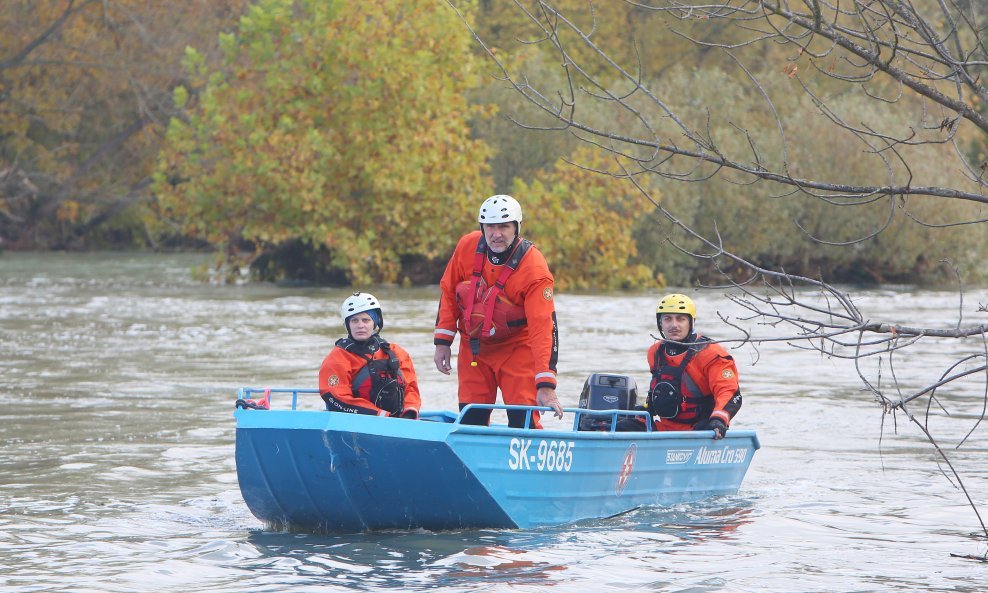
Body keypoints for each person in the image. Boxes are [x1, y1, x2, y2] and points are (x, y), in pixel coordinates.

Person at [433, 194, 564, 428]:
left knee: (522, 420)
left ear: (517, 227)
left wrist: (546, 384)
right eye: (490, 227)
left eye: (504, 227)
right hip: (474, 349)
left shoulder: (534, 268)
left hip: (516, 349)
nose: (496, 234)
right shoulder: (466, 246)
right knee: (471, 420)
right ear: (482, 228)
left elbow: (543, 326)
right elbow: (449, 292)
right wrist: (443, 341)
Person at [617, 293, 742, 439]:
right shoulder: (655, 352)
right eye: (667, 319)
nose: (674, 325)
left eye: (680, 319)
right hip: (664, 427)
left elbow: (729, 392)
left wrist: (719, 419)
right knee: (612, 426)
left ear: (692, 322)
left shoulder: (712, 354)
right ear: (660, 323)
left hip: (699, 429)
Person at [319, 292, 421, 418]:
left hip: (398, 420)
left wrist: (410, 410)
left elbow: (411, 388)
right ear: (347, 325)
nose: (360, 325)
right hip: (357, 421)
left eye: (366, 320)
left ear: (375, 323)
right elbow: (336, 398)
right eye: (354, 320)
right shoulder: (338, 358)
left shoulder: (396, 352)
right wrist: (380, 415)